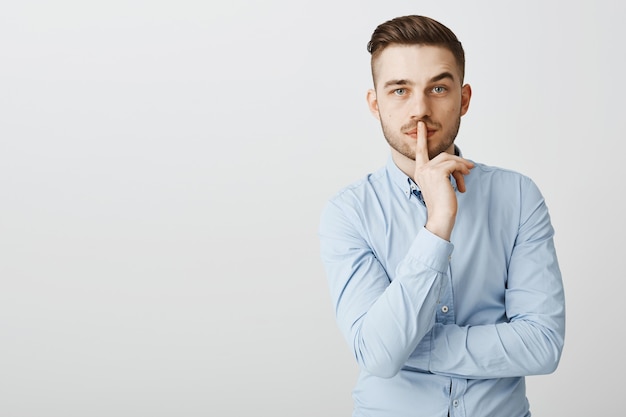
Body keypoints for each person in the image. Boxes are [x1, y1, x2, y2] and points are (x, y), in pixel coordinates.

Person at [318, 15, 565, 417]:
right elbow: (379, 357)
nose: (420, 110)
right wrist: (438, 226)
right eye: (400, 90)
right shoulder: (348, 213)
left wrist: (411, 346)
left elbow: (542, 345)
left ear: (463, 99)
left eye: (438, 87)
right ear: (375, 103)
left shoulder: (518, 196)